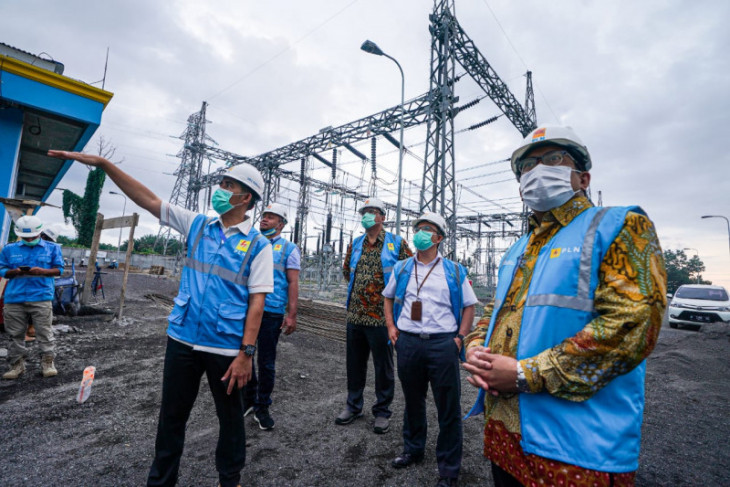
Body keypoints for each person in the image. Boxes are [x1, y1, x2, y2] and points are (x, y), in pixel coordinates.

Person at [48, 149, 273, 487]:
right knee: (171, 418)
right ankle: (161, 482)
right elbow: (149, 199)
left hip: (226, 348)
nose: (222, 189)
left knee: (230, 420)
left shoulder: (258, 246)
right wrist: (107, 165)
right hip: (182, 339)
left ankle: (230, 479)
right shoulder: (198, 225)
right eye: (223, 182)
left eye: (230, 185)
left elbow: (257, 304)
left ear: (247, 200)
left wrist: (246, 354)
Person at [462, 126, 667, 487]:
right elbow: (497, 309)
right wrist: (476, 346)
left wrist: (527, 374)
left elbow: (632, 326)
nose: (537, 170)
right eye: (526, 166)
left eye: (554, 159)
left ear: (583, 177)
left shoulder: (619, 226)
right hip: (505, 436)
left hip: (576, 449)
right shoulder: (518, 248)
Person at [383, 212, 477, 487]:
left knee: (448, 407)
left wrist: (460, 338)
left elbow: (469, 307)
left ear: (438, 238)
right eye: (417, 228)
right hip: (409, 342)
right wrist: (391, 327)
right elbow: (388, 299)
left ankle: (448, 469)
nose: (419, 233)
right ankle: (413, 449)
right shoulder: (402, 268)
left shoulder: (454, 271)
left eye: (426, 229)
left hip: (442, 344)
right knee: (413, 401)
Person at [336, 197, 412, 434]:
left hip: (382, 318)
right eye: (364, 212)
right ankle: (353, 405)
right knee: (355, 365)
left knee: (383, 367)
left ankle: (382, 411)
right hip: (356, 315)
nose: (367, 215)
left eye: (372, 211)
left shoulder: (396, 243)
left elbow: (409, 273)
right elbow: (347, 271)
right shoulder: (356, 243)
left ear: (382, 217)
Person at [243, 202, 300, 431]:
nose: (264, 219)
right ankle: (249, 399)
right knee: (245, 354)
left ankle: (262, 405)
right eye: (264, 215)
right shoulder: (251, 242)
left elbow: (293, 282)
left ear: (282, 224)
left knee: (266, 361)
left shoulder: (288, 248)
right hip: (246, 309)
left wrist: (292, 314)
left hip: (272, 312)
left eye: (271, 217)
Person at [1, 215, 64, 379]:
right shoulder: (9, 249)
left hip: (41, 296)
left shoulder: (52, 248)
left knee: (44, 332)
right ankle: (16, 365)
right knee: (15, 334)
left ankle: (48, 363)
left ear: (39, 233)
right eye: (26, 237)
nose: (30, 239)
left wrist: (42, 272)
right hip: (15, 297)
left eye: (33, 237)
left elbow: (59, 270)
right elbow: (2, 269)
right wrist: (14, 272)